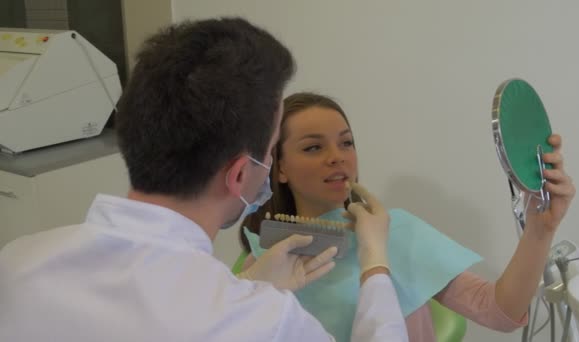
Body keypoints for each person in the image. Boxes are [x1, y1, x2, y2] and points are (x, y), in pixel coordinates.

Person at [0, 19, 409, 341]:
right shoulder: (264, 322)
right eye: (271, 152)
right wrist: (374, 261)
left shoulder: (17, 262)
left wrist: (245, 285)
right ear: (239, 174)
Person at [240, 92, 576, 342]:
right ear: (279, 166)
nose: (337, 158)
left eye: (346, 143)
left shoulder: (395, 232)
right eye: (313, 147)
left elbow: (499, 311)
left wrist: (540, 228)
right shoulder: (262, 260)